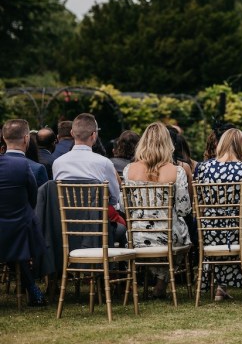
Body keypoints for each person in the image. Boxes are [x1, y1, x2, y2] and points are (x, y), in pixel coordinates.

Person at [122, 122, 192, 298]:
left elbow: (124, 208)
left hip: (136, 236)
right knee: (180, 233)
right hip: (167, 236)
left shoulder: (129, 170)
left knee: (162, 235)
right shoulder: (177, 171)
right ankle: (161, 283)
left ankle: (142, 284)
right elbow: (184, 210)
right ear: (168, 144)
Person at [196, 128, 242, 300]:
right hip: (237, 230)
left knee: (225, 231)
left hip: (208, 231)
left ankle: (220, 287)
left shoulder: (202, 168)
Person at [52, 113, 126, 248]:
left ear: (72, 133)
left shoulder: (58, 163)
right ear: (94, 135)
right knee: (122, 229)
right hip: (97, 229)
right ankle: (112, 266)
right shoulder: (104, 163)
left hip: (67, 228)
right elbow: (114, 199)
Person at [0, 119, 48, 306]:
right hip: (20, 232)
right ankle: (33, 289)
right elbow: (33, 197)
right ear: (27, 139)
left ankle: (33, 290)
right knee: (20, 234)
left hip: (9, 232)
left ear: (3, 138)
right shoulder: (24, 166)